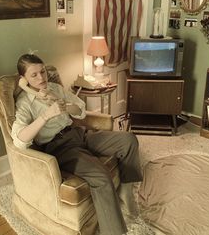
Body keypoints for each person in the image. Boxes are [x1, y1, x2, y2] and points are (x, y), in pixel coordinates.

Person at [11, 53, 143, 235]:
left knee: (128, 140)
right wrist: (46, 115)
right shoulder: (25, 103)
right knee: (101, 176)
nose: (41, 78)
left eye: (43, 72)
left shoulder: (55, 88)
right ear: (23, 80)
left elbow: (80, 109)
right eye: (34, 75)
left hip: (80, 134)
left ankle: (126, 190)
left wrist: (63, 104)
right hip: (61, 148)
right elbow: (19, 140)